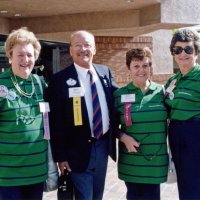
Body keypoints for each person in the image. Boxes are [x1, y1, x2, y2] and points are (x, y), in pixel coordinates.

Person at [46, 30, 118, 200]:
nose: (83, 49)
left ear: (94, 49)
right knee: (84, 196)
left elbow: (117, 99)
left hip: (102, 146)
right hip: (75, 152)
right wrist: (60, 156)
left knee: (97, 195)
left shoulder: (104, 72)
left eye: (87, 45)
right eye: (78, 45)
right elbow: (55, 122)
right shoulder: (59, 80)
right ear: (70, 50)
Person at [114, 47, 168, 200]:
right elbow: (111, 127)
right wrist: (124, 137)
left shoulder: (162, 92)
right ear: (128, 68)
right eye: (136, 66)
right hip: (132, 162)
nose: (141, 70)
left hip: (155, 161)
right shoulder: (119, 95)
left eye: (146, 65)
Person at [0, 27, 48, 200]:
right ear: (10, 56)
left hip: (36, 171)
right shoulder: (1, 85)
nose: (26, 60)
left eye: (30, 55)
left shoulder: (40, 83)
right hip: (7, 175)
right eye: (20, 54)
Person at [164, 28, 200, 200]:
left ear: (196, 52)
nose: (183, 53)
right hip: (177, 135)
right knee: (184, 181)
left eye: (188, 49)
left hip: (196, 135)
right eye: (178, 49)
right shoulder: (173, 80)